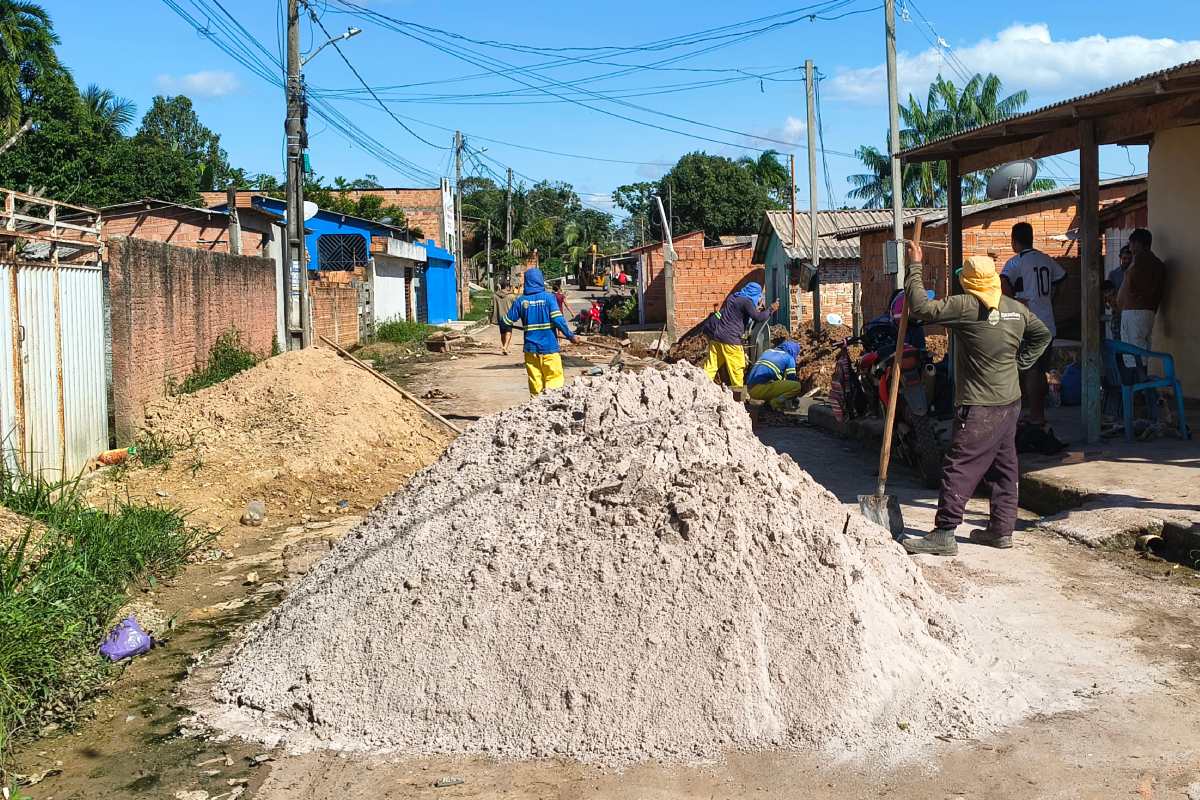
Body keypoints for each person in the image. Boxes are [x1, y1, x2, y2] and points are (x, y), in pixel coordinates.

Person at [901, 246, 1051, 556]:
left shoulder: (965, 306)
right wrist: (1021, 363)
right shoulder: (1015, 309)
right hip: (1010, 403)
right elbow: (1042, 334)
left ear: (969, 282)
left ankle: (944, 533)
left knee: (961, 465)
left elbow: (920, 308)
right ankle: (1001, 530)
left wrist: (915, 266)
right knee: (1004, 467)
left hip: (980, 405)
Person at [1000, 222, 1066, 429]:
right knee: (1041, 370)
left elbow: (1003, 283)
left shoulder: (1015, 263)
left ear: (1014, 240)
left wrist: (1014, 302)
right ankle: (1038, 414)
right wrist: (1051, 300)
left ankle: (1035, 415)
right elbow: (1062, 278)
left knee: (1031, 371)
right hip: (1048, 323)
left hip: (1029, 325)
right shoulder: (1046, 259)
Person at [504, 267, 583, 396]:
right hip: (550, 348)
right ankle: (551, 408)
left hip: (530, 350)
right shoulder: (549, 298)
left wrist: (500, 321)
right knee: (554, 381)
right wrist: (570, 336)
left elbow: (507, 321)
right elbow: (558, 320)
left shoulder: (521, 301)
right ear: (541, 280)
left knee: (535, 382)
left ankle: (536, 408)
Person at [701, 282, 778, 396]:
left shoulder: (734, 297)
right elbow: (758, 317)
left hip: (717, 337)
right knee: (737, 367)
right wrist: (771, 309)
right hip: (731, 340)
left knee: (711, 366)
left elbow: (739, 313)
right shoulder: (746, 302)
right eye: (759, 296)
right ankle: (739, 398)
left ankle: (701, 389)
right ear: (755, 294)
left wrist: (755, 307)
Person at [1116, 228, 1165, 361]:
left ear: (1138, 243)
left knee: (1134, 353)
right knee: (1141, 352)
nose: (1130, 247)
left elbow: (1134, 286)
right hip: (1146, 313)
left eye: (1131, 243)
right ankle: (1140, 377)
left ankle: (1139, 379)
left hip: (1135, 313)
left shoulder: (1140, 262)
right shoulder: (1156, 263)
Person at [745, 339, 804, 410]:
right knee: (796, 386)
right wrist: (792, 397)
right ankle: (776, 402)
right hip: (760, 390)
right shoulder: (789, 358)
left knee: (773, 381)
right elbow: (791, 378)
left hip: (749, 389)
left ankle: (769, 401)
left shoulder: (767, 351)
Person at [1105, 245, 1133, 341]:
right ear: (1120, 257)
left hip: (1132, 313)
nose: (1127, 261)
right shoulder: (1113, 274)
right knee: (1118, 341)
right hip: (1118, 313)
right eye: (1124, 258)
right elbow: (1108, 294)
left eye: (1130, 259)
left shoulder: (1135, 273)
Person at [491, 275, 521, 355]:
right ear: (507, 286)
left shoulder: (495, 296)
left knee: (502, 333)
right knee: (509, 332)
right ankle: (505, 347)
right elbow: (518, 303)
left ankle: (505, 347)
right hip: (508, 317)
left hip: (499, 317)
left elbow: (492, 306)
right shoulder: (511, 296)